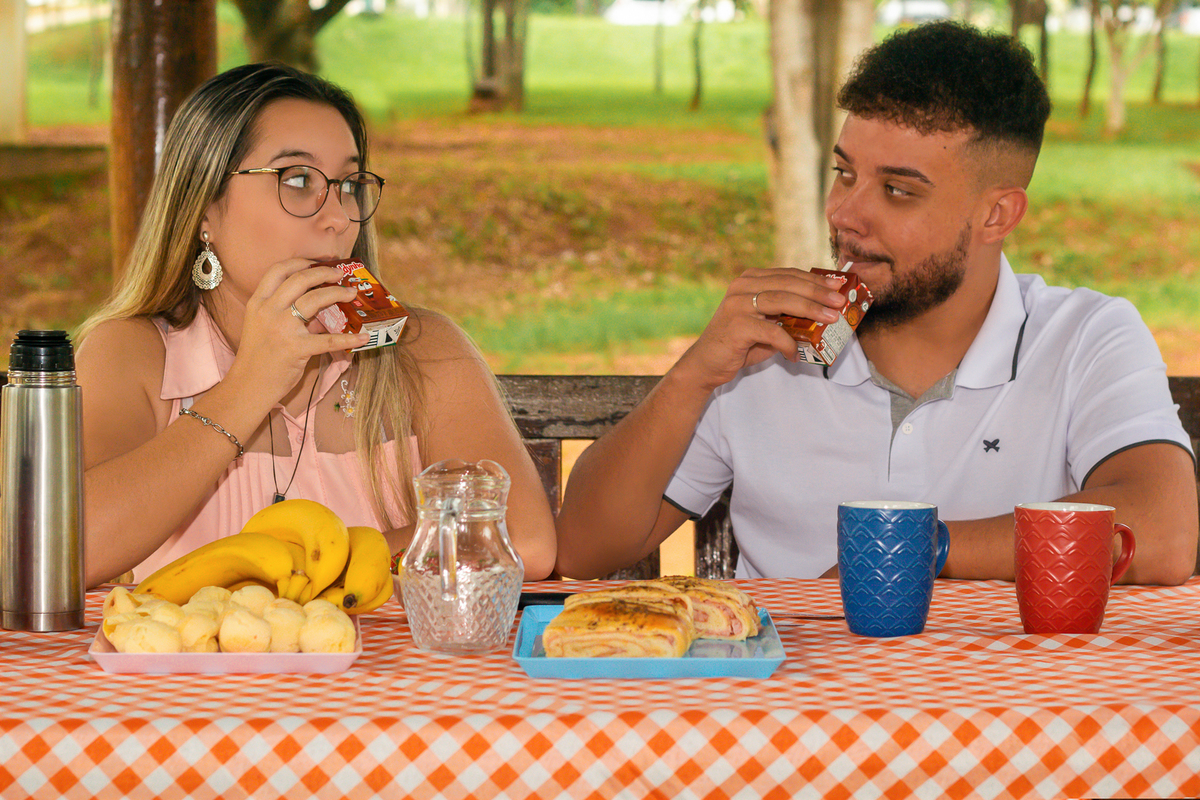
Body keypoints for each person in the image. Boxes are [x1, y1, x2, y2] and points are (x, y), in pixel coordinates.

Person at [555, 21, 1198, 585]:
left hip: (995, 712)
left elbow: (1163, 536)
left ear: (996, 214)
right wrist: (695, 374)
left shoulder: (1085, 335)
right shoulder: (770, 343)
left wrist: (924, 550)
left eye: (897, 190)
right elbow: (581, 551)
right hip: (784, 709)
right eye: (844, 173)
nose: (844, 213)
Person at [76, 63, 556, 587]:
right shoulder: (132, 353)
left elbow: (522, 540)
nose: (338, 217)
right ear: (204, 210)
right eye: (298, 180)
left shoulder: (421, 348)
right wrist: (249, 386)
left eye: (349, 184)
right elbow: (68, 552)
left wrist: (307, 568)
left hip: (395, 672)